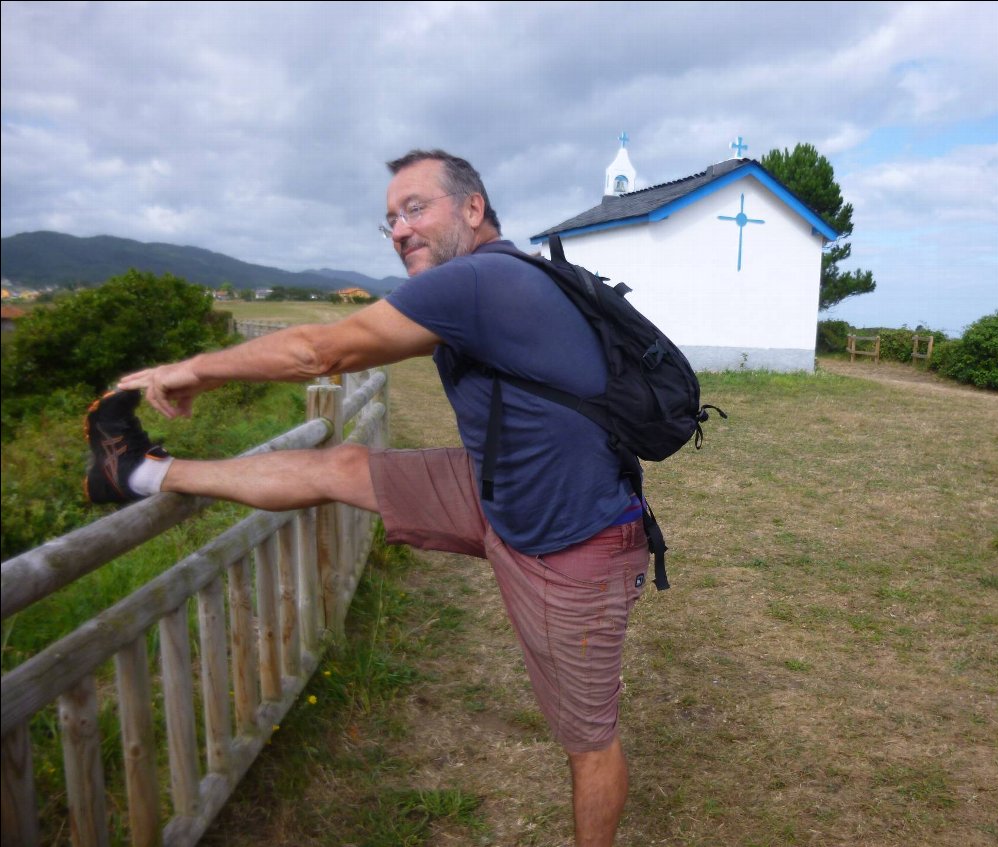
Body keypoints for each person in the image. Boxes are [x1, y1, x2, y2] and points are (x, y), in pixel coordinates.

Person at [84, 149, 650, 847]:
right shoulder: (484, 281)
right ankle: (138, 473)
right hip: (499, 489)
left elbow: (318, 352)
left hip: (574, 542)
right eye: (389, 220)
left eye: (416, 208)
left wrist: (191, 370)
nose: (401, 229)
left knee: (588, 740)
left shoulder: (480, 279)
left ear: (474, 210)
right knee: (341, 464)